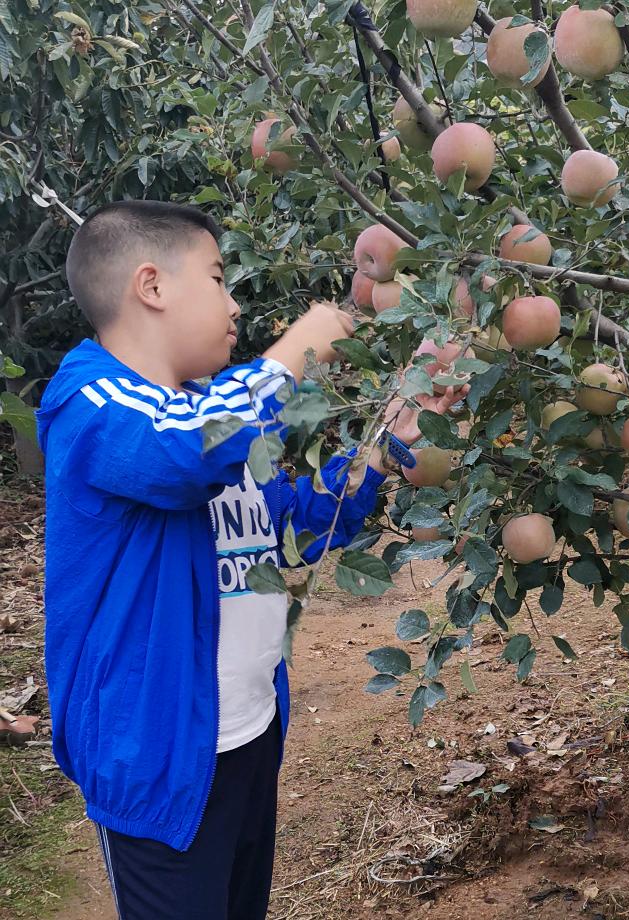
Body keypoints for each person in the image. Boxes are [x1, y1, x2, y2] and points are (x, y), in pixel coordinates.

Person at [36, 200, 462, 920]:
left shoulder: (212, 408)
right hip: (156, 757)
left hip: (247, 734)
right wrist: (302, 345)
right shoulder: (91, 403)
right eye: (217, 277)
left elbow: (296, 526)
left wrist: (388, 441)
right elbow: (181, 452)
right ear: (152, 286)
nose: (235, 305)